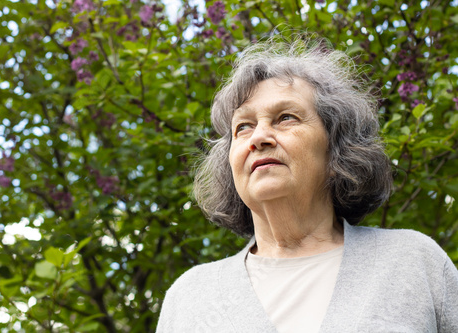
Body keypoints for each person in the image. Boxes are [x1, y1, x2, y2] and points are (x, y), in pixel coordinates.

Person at [156, 36, 458, 332]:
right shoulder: (190, 297)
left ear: (336, 152)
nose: (259, 138)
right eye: (243, 127)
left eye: (286, 118)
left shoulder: (413, 263)